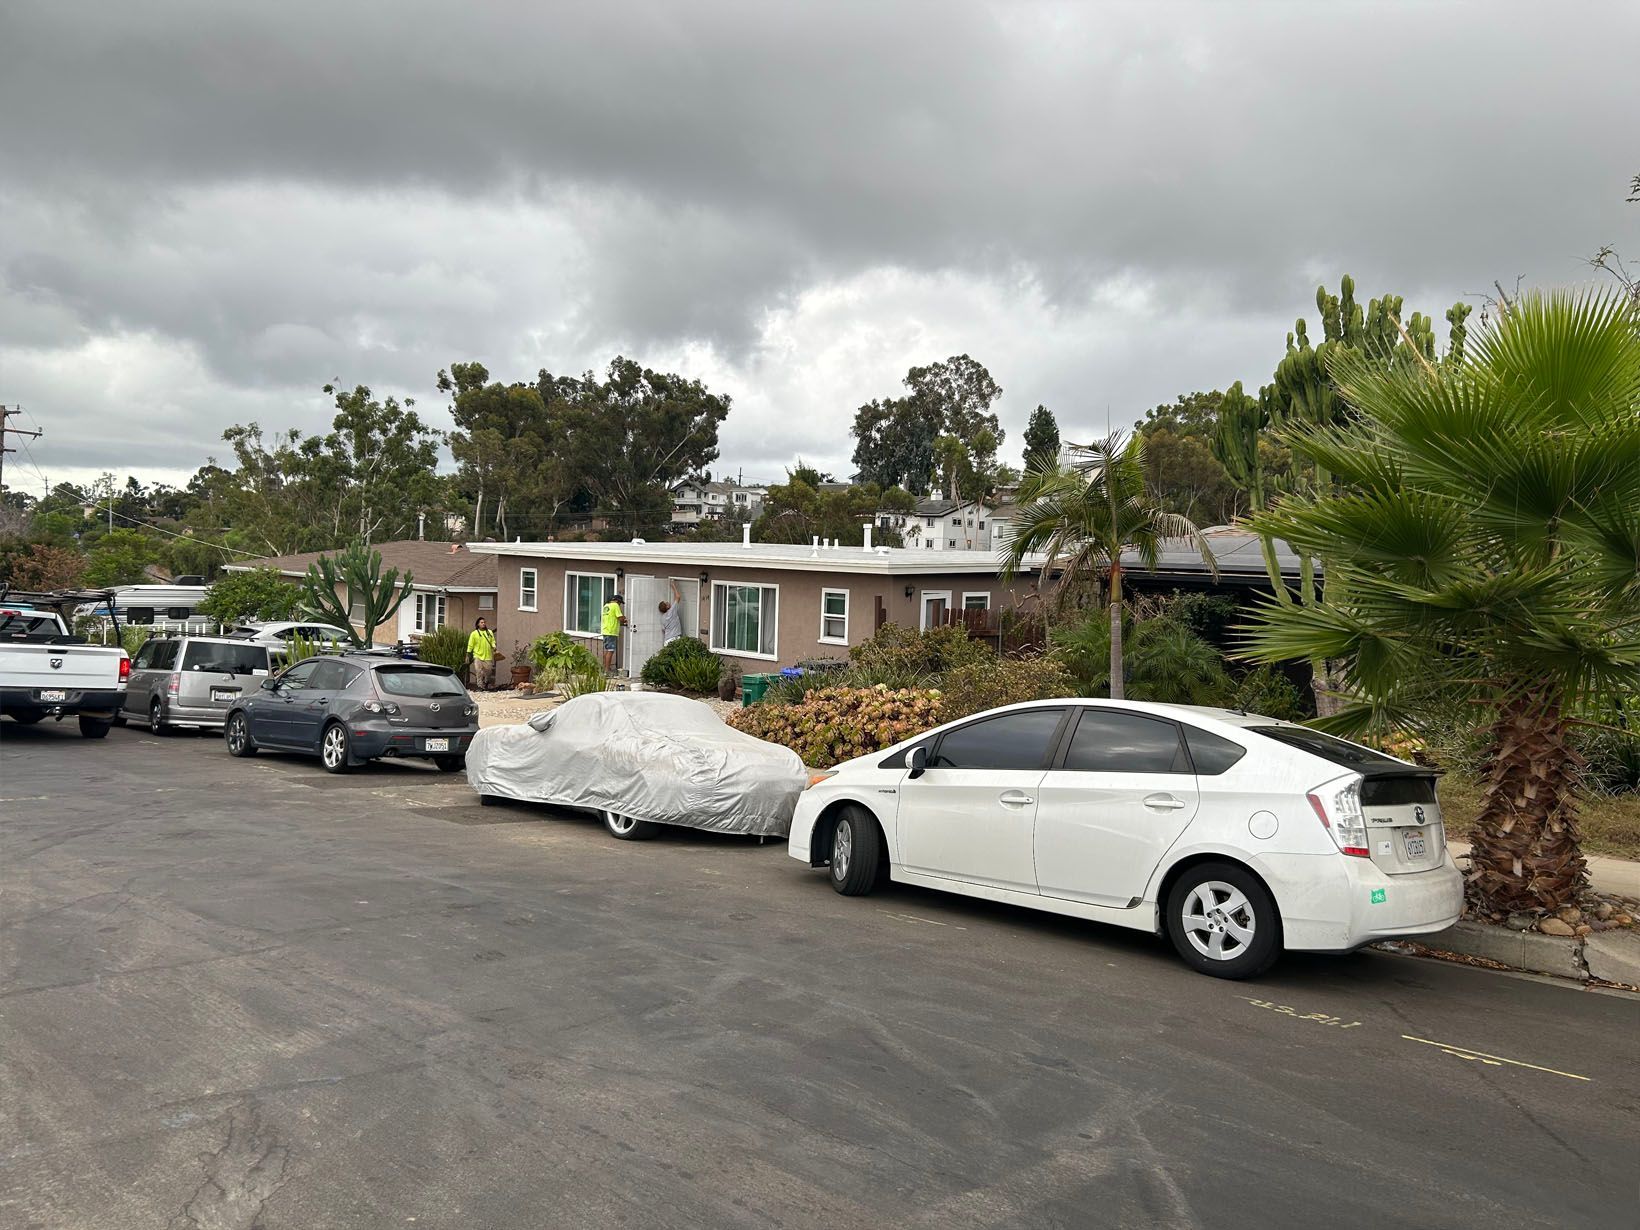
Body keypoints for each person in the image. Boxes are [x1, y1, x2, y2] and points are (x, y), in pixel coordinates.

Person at [466, 617, 498, 690]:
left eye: (484, 622)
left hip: (487, 656)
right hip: (477, 656)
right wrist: (468, 654)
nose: (483, 624)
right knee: (478, 671)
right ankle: (480, 686)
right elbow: (470, 644)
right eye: (481, 622)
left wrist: (494, 646)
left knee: (489, 671)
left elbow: (492, 641)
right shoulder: (474, 634)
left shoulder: (489, 632)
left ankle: (486, 683)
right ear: (478, 624)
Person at [601, 592, 626, 673]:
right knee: (610, 651)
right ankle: (607, 670)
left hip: (605, 630)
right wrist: (624, 619)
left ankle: (605, 668)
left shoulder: (606, 606)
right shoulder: (615, 605)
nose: (620, 605)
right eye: (620, 603)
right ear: (617, 601)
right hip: (611, 631)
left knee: (607, 650)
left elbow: (611, 617)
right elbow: (620, 618)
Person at [658, 580, 683, 645]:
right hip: (674, 639)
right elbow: (678, 597)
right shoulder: (672, 611)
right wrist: (673, 586)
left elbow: (663, 630)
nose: (668, 602)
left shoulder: (662, 618)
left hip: (667, 640)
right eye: (666, 603)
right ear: (667, 607)